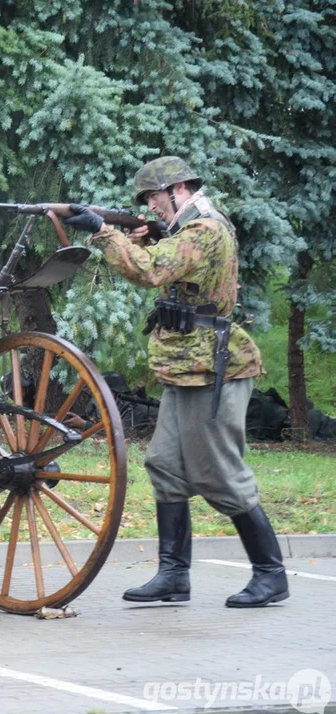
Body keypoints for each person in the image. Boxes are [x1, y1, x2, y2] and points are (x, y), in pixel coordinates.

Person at [63, 156, 288, 608]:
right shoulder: (185, 231)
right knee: (165, 465)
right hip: (184, 368)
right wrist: (146, 237)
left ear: (178, 189)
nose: (150, 207)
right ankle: (173, 575)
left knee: (218, 472)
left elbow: (151, 271)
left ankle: (271, 573)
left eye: (153, 197)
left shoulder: (205, 230)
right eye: (144, 200)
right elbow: (162, 261)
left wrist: (102, 231)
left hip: (213, 370)